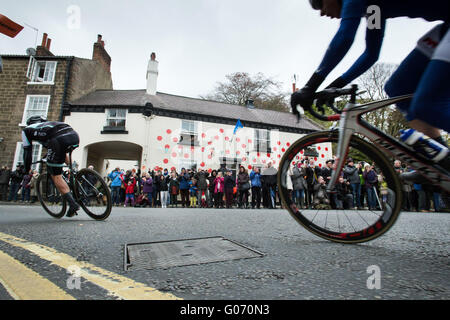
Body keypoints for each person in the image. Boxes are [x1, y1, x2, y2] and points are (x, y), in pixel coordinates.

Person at [291, 0, 449, 181]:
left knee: (427, 104)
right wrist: (332, 88)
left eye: (319, 3)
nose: (321, 12)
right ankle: (440, 163)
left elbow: (344, 37)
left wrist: (310, 86)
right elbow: (370, 55)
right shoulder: (374, 9)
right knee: (397, 88)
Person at [21, 116, 80, 216]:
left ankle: (73, 204)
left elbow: (27, 152)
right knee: (62, 152)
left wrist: (26, 169)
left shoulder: (26, 130)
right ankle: (75, 170)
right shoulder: (49, 125)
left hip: (58, 140)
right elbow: (52, 149)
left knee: (56, 175)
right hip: (74, 136)